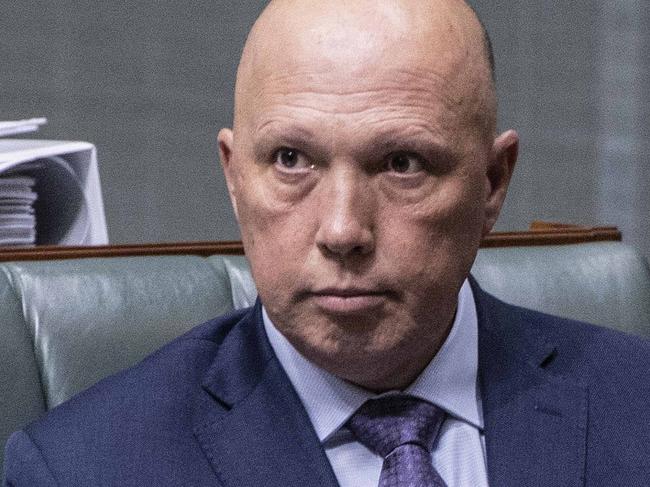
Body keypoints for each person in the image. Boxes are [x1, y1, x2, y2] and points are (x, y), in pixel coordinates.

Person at [4, 0, 649, 485]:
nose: (342, 231)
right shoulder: (80, 468)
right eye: (291, 160)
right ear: (233, 178)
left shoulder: (636, 407)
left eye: (403, 164)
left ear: (492, 182)